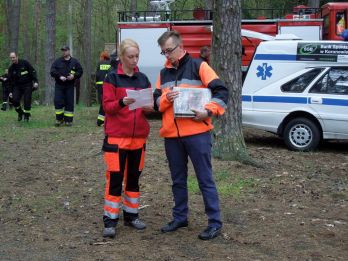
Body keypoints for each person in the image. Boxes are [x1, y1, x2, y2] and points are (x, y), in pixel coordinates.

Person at [153, 31, 229, 240]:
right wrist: (167, 97)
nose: (167, 55)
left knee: (205, 179)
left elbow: (222, 92)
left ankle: (214, 222)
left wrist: (209, 111)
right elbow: (156, 104)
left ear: (180, 46)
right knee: (178, 180)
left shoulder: (200, 66)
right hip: (172, 136)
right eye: (163, 52)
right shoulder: (163, 73)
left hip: (197, 134)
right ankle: (180, 217)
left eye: (169, 50)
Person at [101, 38, 152, 238]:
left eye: (137, 56)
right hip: (116, 139)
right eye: (130, 56)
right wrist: (122, 102)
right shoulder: (111, 78)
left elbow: (148, 107)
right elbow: (107, 107)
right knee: (114, 180)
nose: (134, 60)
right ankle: (110, 221)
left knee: (133, 179)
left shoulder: (143, 79)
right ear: (121, 57)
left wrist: (149, 108)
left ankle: (131, 216)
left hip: (138, 138)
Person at [50, 45, 83, 126]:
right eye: (63, 50)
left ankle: (68, 121)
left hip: (70, 86)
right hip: (59, 85)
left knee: (69, 102)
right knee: (57, 101)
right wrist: (59, 76)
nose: (64, 52)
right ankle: (59, 119)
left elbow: (80, 71)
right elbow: (52, 71)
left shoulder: (75, 62)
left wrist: (73, 76)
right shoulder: (57, 61)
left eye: (65, 50)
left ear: (69, 51)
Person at [8, 52, 38, 122]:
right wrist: (10, 91)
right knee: (14, 100)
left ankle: (26, 116)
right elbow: (10, 82)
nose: (13, 59)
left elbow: (33, 72)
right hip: (17, 86)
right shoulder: (11, 69)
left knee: (27, 99)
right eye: (11, 58)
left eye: (14, 57)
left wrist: (36, 82)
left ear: (17, 57)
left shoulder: (25, 63)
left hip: (27, 84)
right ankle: (20, 113)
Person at [95, 51, 111, 126]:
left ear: (103, 57)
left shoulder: (99, 64)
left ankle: (100, 120)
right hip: (107, 85)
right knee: (105, 102)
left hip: (100, 86)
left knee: (102, 102)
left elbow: (97, 75)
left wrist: (96, 84)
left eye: (100, 57)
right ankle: (102, 120)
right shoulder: (111, 63)